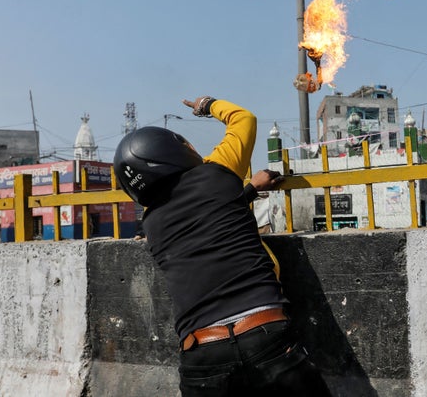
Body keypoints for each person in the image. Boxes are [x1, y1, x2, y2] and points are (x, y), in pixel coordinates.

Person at [113, 96, 331, 397]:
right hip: (266, 336)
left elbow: (204, 221)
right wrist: (206, 104)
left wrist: (249, 191)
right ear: (173, 151)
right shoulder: (218, 173)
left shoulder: (151, 226)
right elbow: (244, 119)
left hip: (202, 356)